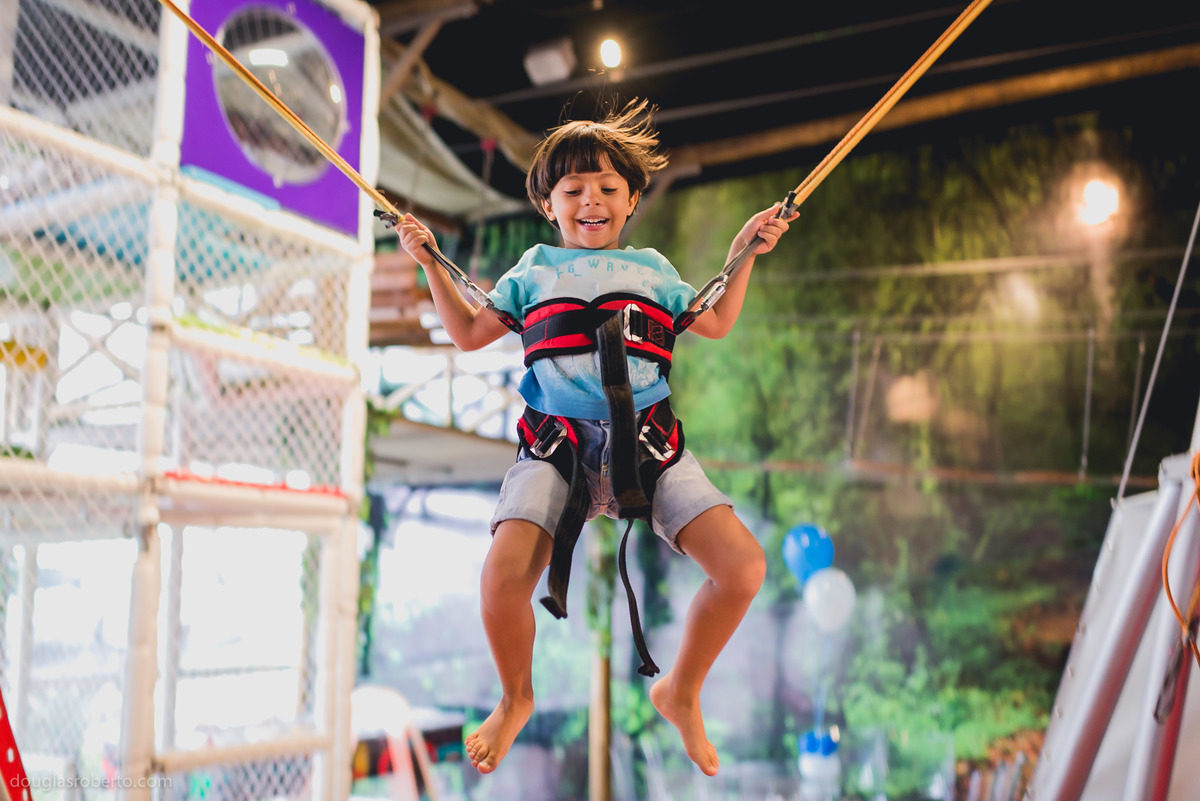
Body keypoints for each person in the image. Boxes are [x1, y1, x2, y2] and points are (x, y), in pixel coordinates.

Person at [397, 100, 796, 776]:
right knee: (499, 578)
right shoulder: (533, 269)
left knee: (744, 569)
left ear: (632, 198)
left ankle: (681, 690)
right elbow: (467, 333)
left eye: (608, 188)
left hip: (648, 442)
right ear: (549, 203)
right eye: (573, 189)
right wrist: (430, 261)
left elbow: (718, 318)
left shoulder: (652, 269)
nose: (591, 200)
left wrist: (742, 252)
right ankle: (516, 696)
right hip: (557, 447)